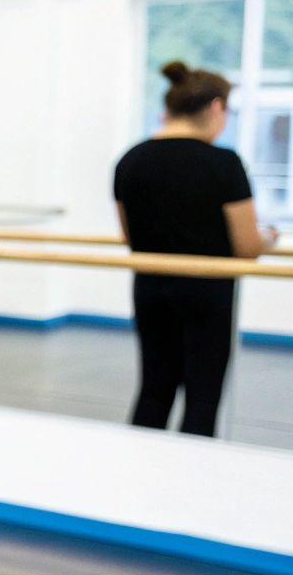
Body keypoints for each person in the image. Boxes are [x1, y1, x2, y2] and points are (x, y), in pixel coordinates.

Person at [113, 60, 280, 437]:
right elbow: (246, 246)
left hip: (151, 289)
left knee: (153, 391)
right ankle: (193, 483)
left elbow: (130, 237)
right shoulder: (223, 163)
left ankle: (134, 472)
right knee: (202, 398)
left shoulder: (130, 160)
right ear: (217, 106)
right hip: (207, 293)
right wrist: (270, 237)